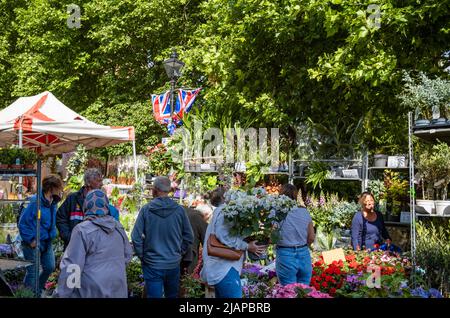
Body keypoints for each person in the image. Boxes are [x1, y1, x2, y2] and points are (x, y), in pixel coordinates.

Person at [56, 189, 132, 298]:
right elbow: (128, 255)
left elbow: (73, 266)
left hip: (90, 290)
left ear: (86, 206)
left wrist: (62, 294)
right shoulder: (118, 227)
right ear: (106, 206)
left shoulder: (82, 230)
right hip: (117, 287)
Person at [131, 176, 194, 298]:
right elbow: (189, 236)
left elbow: (135, 237)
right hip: (173, 262)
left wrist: (142, 255)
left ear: (154, 190)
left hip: (152, 263)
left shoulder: (146, 210)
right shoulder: (179, 210)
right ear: (169, 190)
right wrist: (179, 252)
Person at [201, 187, 266, 298]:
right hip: (224, 269)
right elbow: (224, 236)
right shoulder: (224, 211)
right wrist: (247, 246)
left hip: (222, 268)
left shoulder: (221, 211)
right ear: (224, 197)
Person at [18, 174, 63, 296]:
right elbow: (22, 223)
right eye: (58, 187)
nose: (60, 190)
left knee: (49, 266)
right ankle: (27, 294)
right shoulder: (34, 202)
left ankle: (36, 290)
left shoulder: (53, 201)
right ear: (51, 187)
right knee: (32, 272)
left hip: (46, 242)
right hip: (33, 242)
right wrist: (30, 240)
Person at [56, 168, 119, 248]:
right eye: (98, 180)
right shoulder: (72, 199)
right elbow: (60, 218)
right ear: (89, 183)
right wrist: (69, 238)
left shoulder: (101, 200)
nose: (101, 184)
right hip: (73, 248)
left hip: (94, 250)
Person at [275, 184, 315, 286]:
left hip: (285, 253)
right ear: (296, 195)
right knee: (304, 290)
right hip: (304, 253)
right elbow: (311, 237)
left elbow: (272, 236)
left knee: (288, 291)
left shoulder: (276, 212)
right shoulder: (304, 212)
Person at [181, 207, 208, 275]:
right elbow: (206, 240)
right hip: (188, 256)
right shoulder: (196, 217)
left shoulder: (180, 211)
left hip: (171, 254)